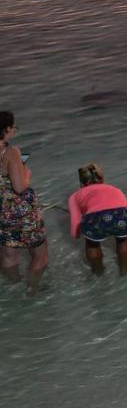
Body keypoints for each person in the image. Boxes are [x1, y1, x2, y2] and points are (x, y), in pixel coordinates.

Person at [0, 111, 49, 290]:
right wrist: (26, 172)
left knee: (8, 253)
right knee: (40, 254)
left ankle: (13, 286)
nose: (14, 131)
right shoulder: (11, 152)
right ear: (6, 129)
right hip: (19, 211)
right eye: (13, 127)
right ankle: (33, 290)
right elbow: (19, 187)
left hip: (1, 213)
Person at [67, 164, 127, 275]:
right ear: (102, 179)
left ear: (82, 183)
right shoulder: (115, 189)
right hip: (123, 215)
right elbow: (125, 205)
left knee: (92, 244)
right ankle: (125, 269)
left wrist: (76, 235)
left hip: (96, 219)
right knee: (123, 240)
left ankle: (98, 272)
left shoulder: (75, 196)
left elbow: (75, 221)